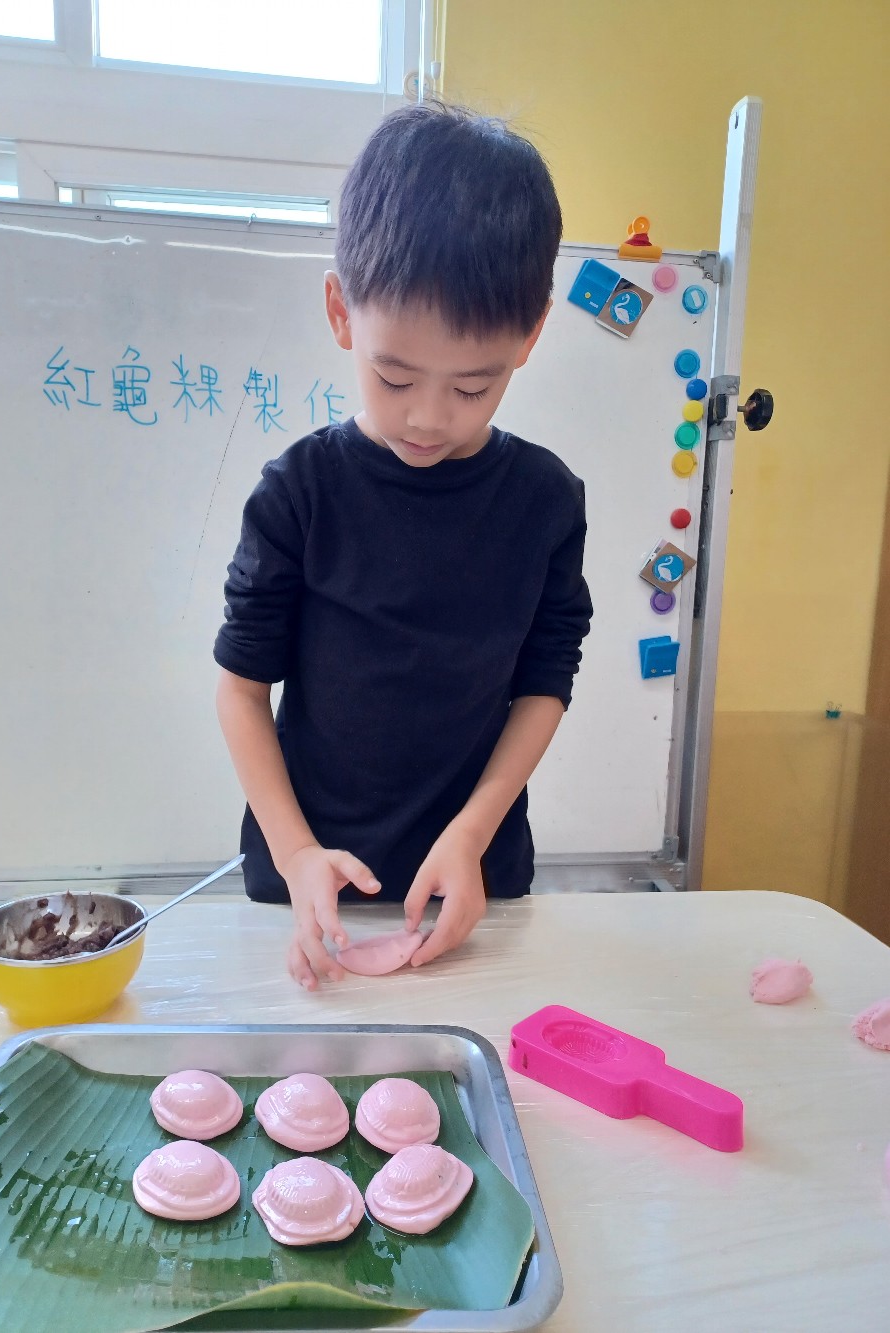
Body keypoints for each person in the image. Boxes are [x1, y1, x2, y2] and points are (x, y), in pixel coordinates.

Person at [214, 100, 592, 989]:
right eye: (394, 376)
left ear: (531, 334)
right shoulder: (299, 492)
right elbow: (241, 688)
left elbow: (545, 682)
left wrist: (473, 831)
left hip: (472, 881)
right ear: (341, 311)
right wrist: (297, 852)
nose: (428, 417)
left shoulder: (544, 501)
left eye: (472, 387)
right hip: (307, 883)